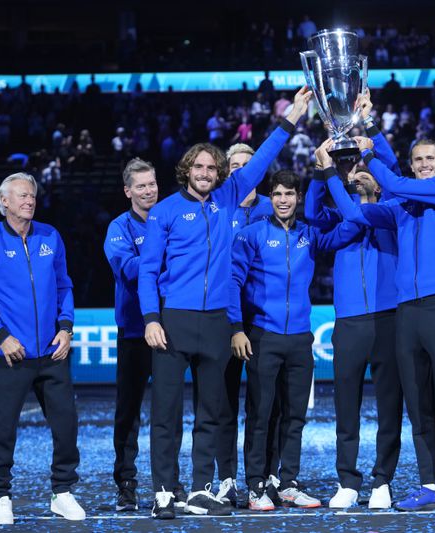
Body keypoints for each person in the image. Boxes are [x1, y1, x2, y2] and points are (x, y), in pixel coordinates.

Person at [138, 86, 311, 519]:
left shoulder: (230, 197)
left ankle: (200, 488)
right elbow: (146, 271)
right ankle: (164, 490)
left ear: (219, 174)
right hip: (174, 321)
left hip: (216, 322)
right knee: (166, 412)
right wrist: (151, 318)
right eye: (198, 166)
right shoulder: (164, 212)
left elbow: (265, 156)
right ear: (186, 170)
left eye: (212, 168)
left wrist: (293, 116)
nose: (205, 172)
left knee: (213, 413)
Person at [329, 135, 435, 514]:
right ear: (412, 164)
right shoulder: (400, 208)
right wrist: (331, 174)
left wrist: (369, 151)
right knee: (417, 404)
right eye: (418, 159)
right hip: (407, 310)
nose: (425, 163)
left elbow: (393, 182)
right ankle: (430, 483)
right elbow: (355, 215)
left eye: (431, 158)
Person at [230, 169, 361, 511]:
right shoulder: (251, 234)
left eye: (290, 194)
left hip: (300, 337)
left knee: (295, 416)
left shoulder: (309, 234)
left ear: (298, 198)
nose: (284, 200)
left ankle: (288, 481)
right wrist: (236, 328)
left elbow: (354, 222)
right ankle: (256, 484)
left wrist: (327, 176)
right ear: (269, 198)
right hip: (263, 334)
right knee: (260, 415)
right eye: (277, 195)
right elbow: (232, 283)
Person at [0, 172, 84, 525]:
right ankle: (0, 496)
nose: (29, 200)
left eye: (31, 195)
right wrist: (1, 335)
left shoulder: (50, 236)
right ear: (4, 203)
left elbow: (64, 286)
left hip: (53, 352)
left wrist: (65, 328)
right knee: (3, 427)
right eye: (21, 196)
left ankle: (62, 492)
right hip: (11, 354)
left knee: (67, 425)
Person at [306, 97, 403, 510]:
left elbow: (395, 170)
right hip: (348, 321)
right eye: (354, 170)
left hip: (389, 318)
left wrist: (371, 129)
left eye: (365, 169)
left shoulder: (397, 211)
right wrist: (321, 172)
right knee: (346, 403)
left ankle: (383, 480)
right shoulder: (339, 215)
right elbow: (312, 216)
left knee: (389, 404)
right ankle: (347, 480)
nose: (358, 174)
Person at [215, 142, 275, 508]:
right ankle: (226, 478)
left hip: (263, 321)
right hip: (225, 320)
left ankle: (264, 477)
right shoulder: (219, 208)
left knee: (265, 406)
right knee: (223, 405)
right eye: (233, 164)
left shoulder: (274, 207)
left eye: (246, 164)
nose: (239, 170)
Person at [103, 158, 165, 512]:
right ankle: (126, 483)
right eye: (140, 186)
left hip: (171, 327)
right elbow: (127, 269)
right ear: (128, 191)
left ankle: (166, 485)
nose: (148, 191)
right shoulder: (119, 227)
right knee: (128, 412)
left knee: (168, 411)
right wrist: (164, 258)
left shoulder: (168, 218)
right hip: (134, 331)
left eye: (152, 183)